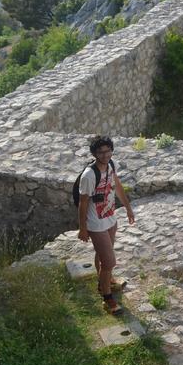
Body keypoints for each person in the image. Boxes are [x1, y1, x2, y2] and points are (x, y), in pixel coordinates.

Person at [76, 135, 135, 315]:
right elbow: (83, 202)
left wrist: (128, 208)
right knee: (109, 261)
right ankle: (107, 298)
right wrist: (83, 228)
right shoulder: (89, 175)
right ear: (94, 154)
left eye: (108, 150)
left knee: (102, 256)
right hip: (96, 223)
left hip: (110, 217)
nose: (105, 155)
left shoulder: (111, 165)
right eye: (100, 152)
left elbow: (116, 185)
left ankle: (105, 282)